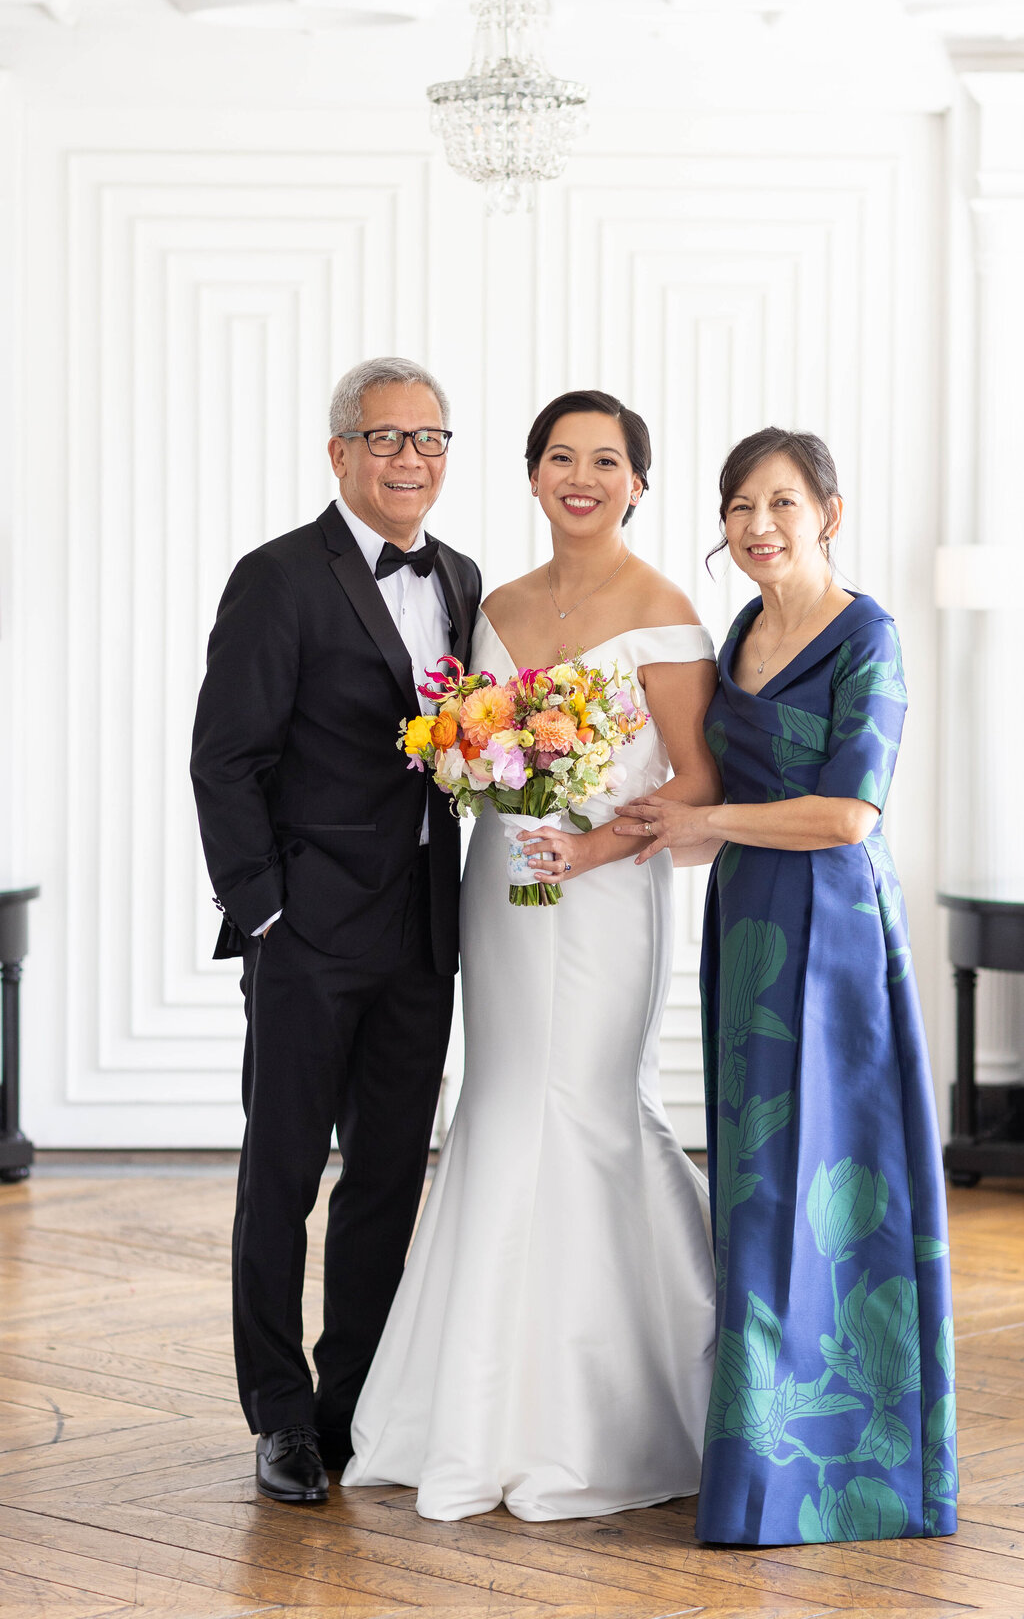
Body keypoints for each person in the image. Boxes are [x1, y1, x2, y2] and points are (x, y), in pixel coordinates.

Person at [343, 390, 723, 1520]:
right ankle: (469, 1408)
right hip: (503, 896)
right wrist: (478, 772)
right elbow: (473, 748)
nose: (583, 477)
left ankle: (621, 1406)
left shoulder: (666, 612)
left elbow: (699, 783)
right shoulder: (493, 603)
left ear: (639, 484)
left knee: (595, 1107)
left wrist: (595, 844)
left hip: (607, 900)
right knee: (500, 1103)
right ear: (530, 473)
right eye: (562, 456)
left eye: (607, 461)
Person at [614, 427, 957, 1548]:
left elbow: (852, 815)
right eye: (738, 508)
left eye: (781, 504)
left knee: (832, 1193)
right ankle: (757, 1463)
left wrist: (705, 820)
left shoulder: (871, 636)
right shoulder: (745, 631)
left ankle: (840, 1480)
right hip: (751, 927)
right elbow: (711, 802)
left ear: (829, 514)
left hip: (838, 933)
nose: (757, 526)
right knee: (757, 1192)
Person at [190, 357, 481, 1505]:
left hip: (422, 932)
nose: (411, 459)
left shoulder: (461, 577)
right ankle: (275, 1416)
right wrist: (264, 908)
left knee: (386, 1181)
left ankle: (347, 1401)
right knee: (281, 1176)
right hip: (307, 931)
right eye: (387, 439)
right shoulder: (277, 578)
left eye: (431, 439)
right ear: (340, 454)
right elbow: (226, 758)